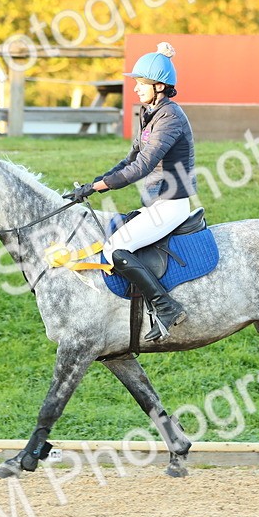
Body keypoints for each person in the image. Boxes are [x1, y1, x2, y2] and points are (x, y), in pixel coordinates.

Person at [63, 41, 196, 341]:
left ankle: (166, 308)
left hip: (171, 204)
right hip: (155, 204)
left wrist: (100, 186)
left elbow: (143, 166)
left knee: (115, 249)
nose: (135, 88)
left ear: (159, 86)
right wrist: (93, 184)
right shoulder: (149, 113)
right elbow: (130, 159)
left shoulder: (170, 117)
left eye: (141, 83)